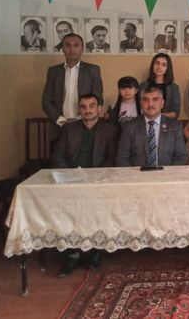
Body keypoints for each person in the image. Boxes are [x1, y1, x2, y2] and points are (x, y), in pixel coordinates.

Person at [50, 93, 118, 277]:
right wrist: (69, 175)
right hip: (71, 179)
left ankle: (96, 250)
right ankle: (72, 253)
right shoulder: (68, 129)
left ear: (99, 109)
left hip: (98, 180)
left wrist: (96, 178)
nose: (87, 110)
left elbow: (111, 159)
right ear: (79, 110)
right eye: (83, 107)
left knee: (98, 209)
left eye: (92, 106)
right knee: (67, 211)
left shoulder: (110, 130)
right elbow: (57, 156)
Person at [42, 33, 103, 142]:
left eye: (76, 45)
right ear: (62, 49)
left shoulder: (92, 70)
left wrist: (80, 119)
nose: (72, 49)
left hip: (85, 125)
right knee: (58, 153)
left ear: (82, 49)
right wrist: (61, 121)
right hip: (58, 127)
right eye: (68, 45)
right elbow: (46, 102)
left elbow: (97, 99)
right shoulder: (53, 71)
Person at [115, 86, 187, 167]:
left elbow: (181, 157)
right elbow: (122, 158)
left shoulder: (175, 126)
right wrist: (134, 174)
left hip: (167, 173)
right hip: (137, 173)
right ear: (141, 103)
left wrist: (169, 174)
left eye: (155, 100)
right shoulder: (129, 126)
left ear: (162, 103)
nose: (150, 104)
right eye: (146, 100)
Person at [139, 53, 180, 119]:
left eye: (164, 65)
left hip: (166, 122)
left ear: (168, 68)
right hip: (145, 122)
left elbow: (176, 113)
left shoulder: (174, 88)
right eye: (157, 63)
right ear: (152, 65)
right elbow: (139, 109)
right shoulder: (143, 86)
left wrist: (157, 115)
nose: (159, 67)